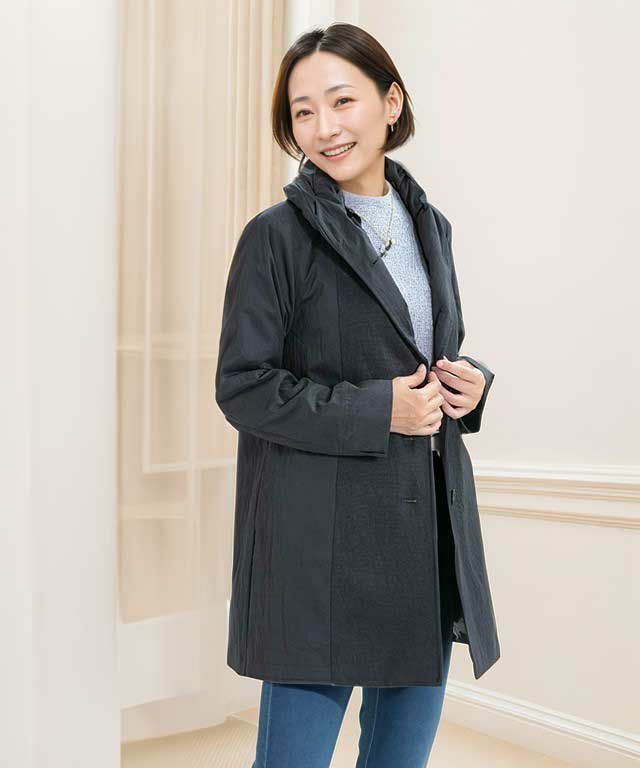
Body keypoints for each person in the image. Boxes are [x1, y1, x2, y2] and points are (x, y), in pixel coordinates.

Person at [215, 21, 500, 768]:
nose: (325, 127)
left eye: (342, 100)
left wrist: (466, 384)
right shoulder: (275, 237)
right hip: (319, 547)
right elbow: (242, 386)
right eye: (304, 111)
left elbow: (422, 350)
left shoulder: (432, 228)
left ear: (390, 102)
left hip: (421, 541)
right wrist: (380, 409)